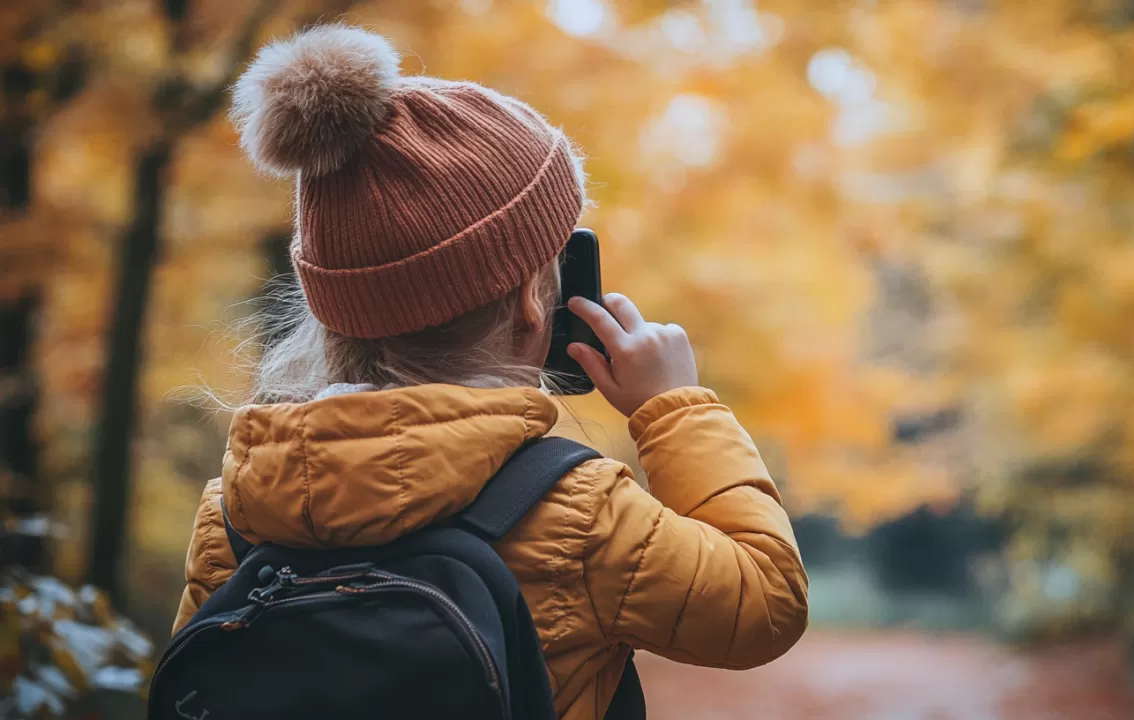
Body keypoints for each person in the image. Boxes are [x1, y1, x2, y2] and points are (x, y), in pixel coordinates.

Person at [173, 24, 808, 720]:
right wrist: (676, 406)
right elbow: (765, 603)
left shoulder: (237, 511)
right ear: (533, 307)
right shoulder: (577, 514)